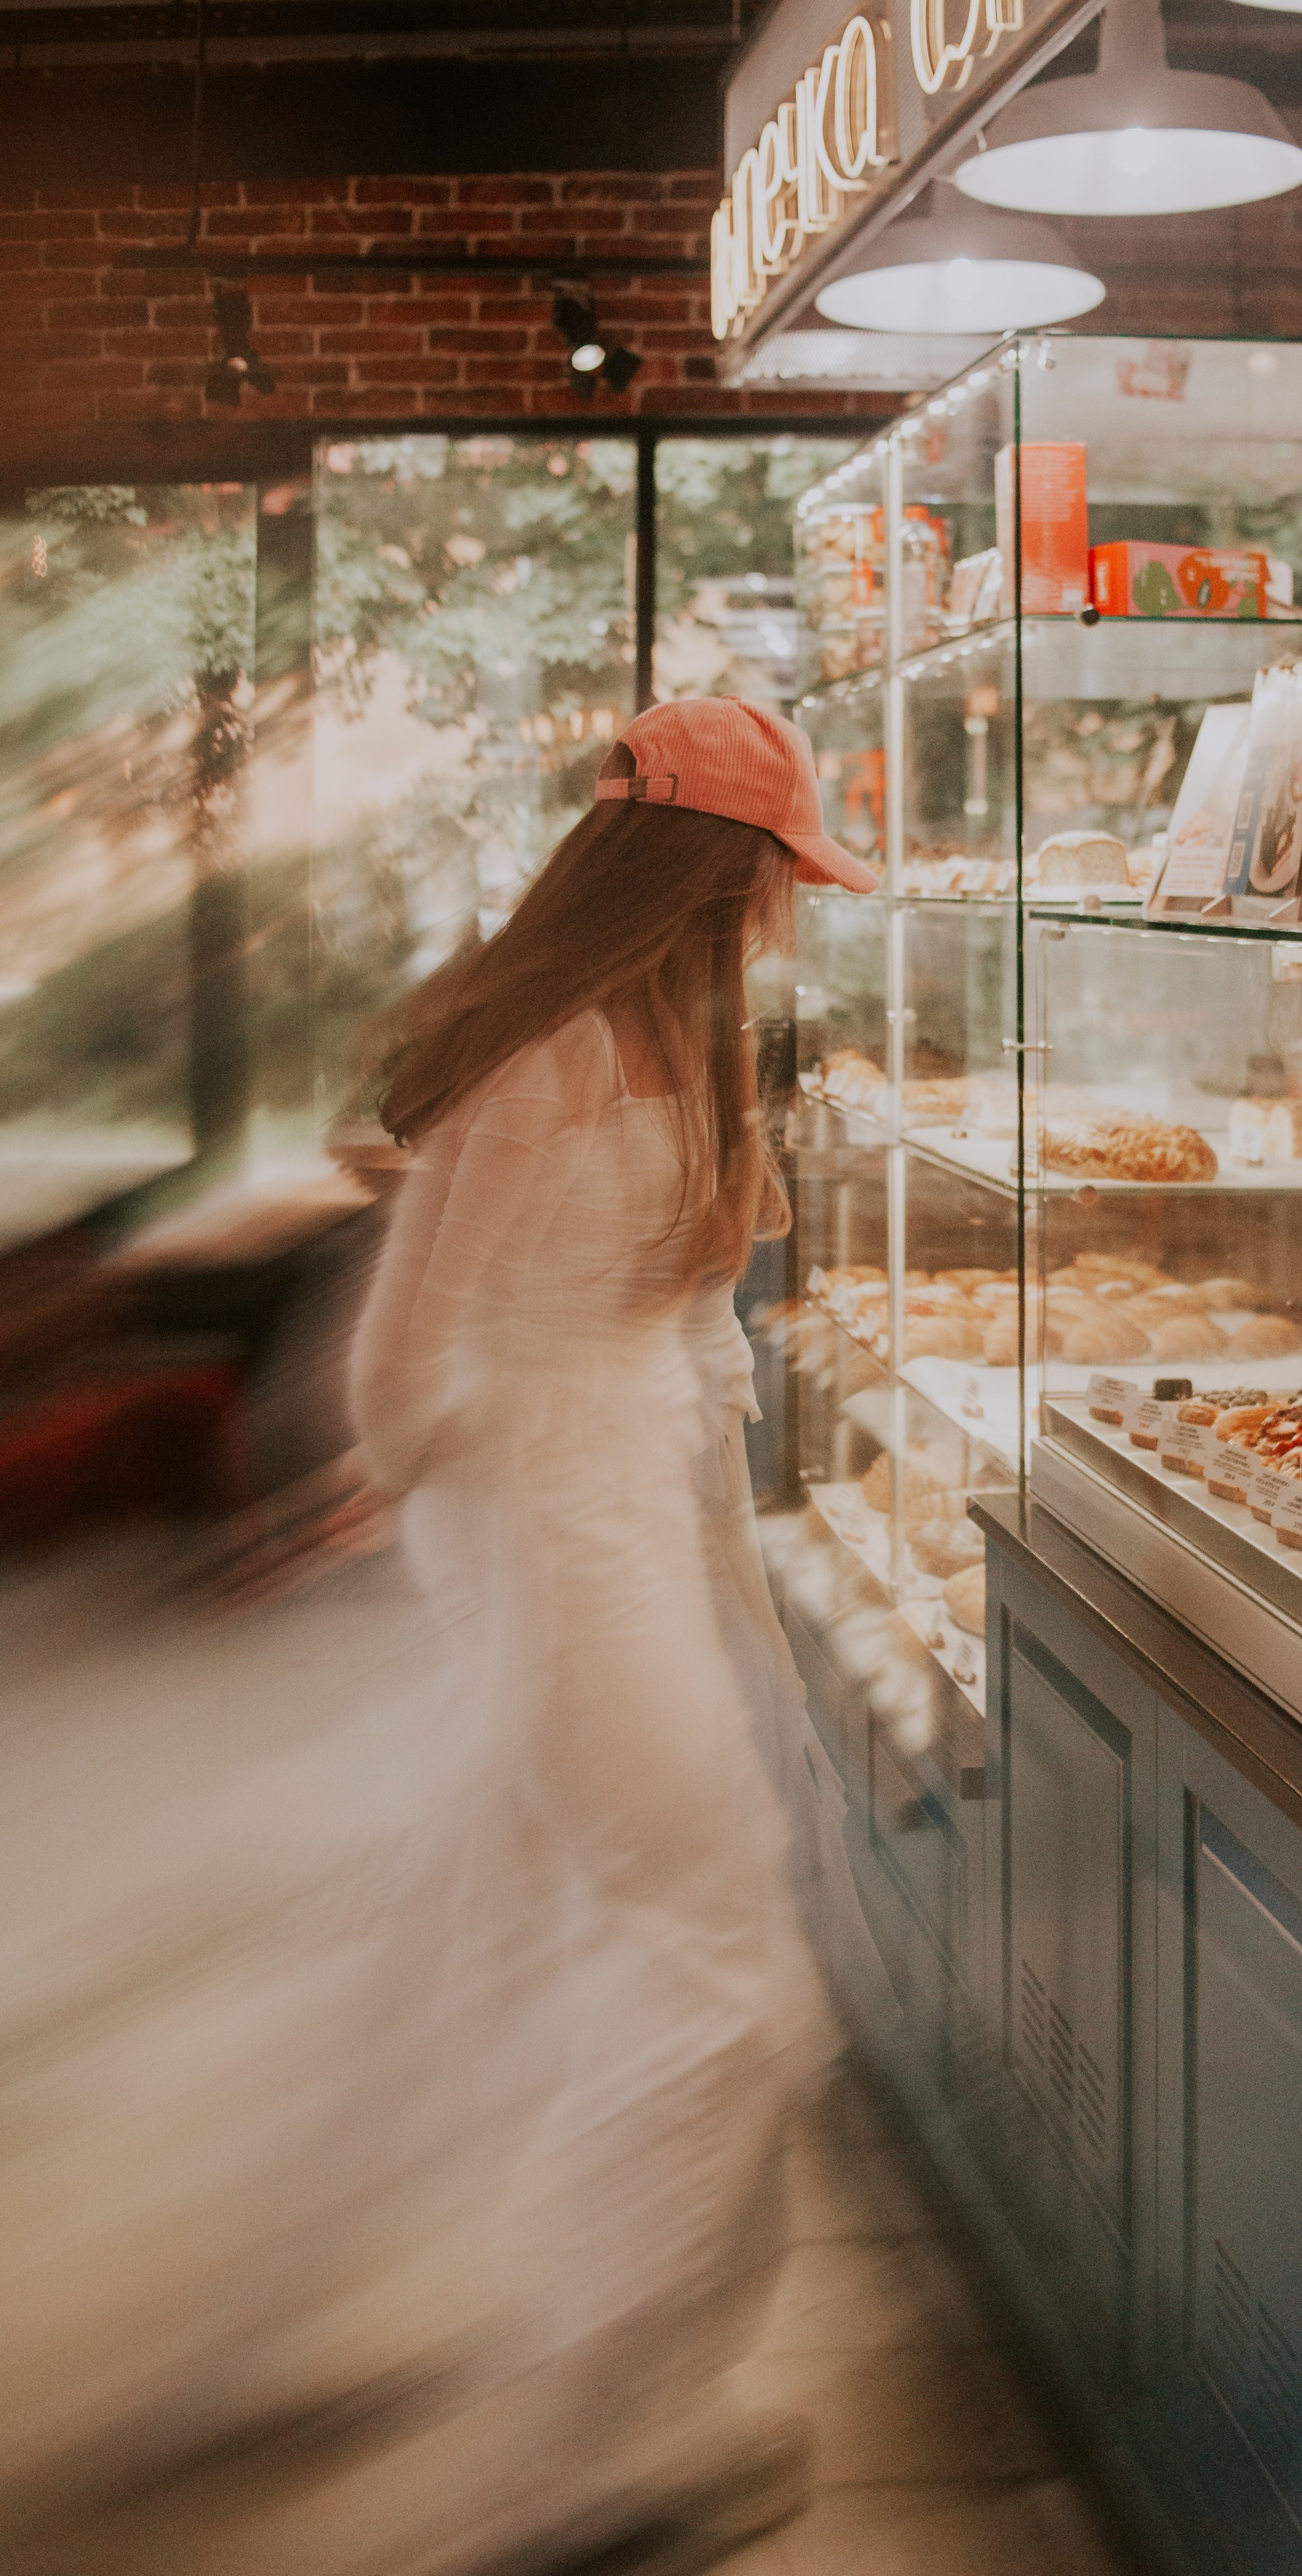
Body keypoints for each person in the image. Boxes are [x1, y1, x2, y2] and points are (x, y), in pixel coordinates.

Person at [334, 699, 876, 2575]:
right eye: (779, 879)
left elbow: (678, 1316)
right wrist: (491, 1502)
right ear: (711, 873)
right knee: (723, 1970)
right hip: (563, 1532)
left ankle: (305, 2321)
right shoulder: (561, 1049)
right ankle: (556, 2476)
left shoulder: (680, 1032)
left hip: (621, 1516)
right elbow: (400, 1366)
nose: (793, 917)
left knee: (478, 1929)